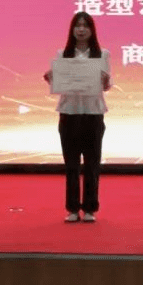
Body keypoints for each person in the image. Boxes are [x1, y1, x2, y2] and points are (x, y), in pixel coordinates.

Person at [43, 12, 112, 223]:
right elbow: (59, 84)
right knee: (71, 164)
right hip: (69, 113)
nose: (81, 29)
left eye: (85, 26)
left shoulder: (102, 54)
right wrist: (50, 78)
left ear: (92, 30)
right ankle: (72, 208)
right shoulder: (63, 54)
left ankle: (90, 208)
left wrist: (105, 80)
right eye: (77, 25)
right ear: (72, 30)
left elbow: (106, 86)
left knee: (92, 163)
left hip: (93, 113)